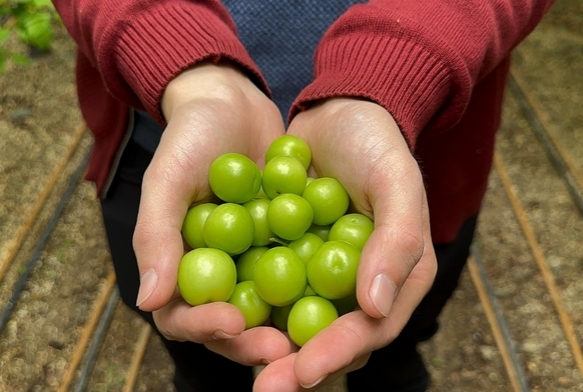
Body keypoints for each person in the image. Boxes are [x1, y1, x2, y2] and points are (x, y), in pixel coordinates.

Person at [52, 1, 555, 390]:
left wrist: (396, 66)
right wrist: (172, 49)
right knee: (202, 359)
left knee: (393, 345)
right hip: (167, 138)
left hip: (409, 165)